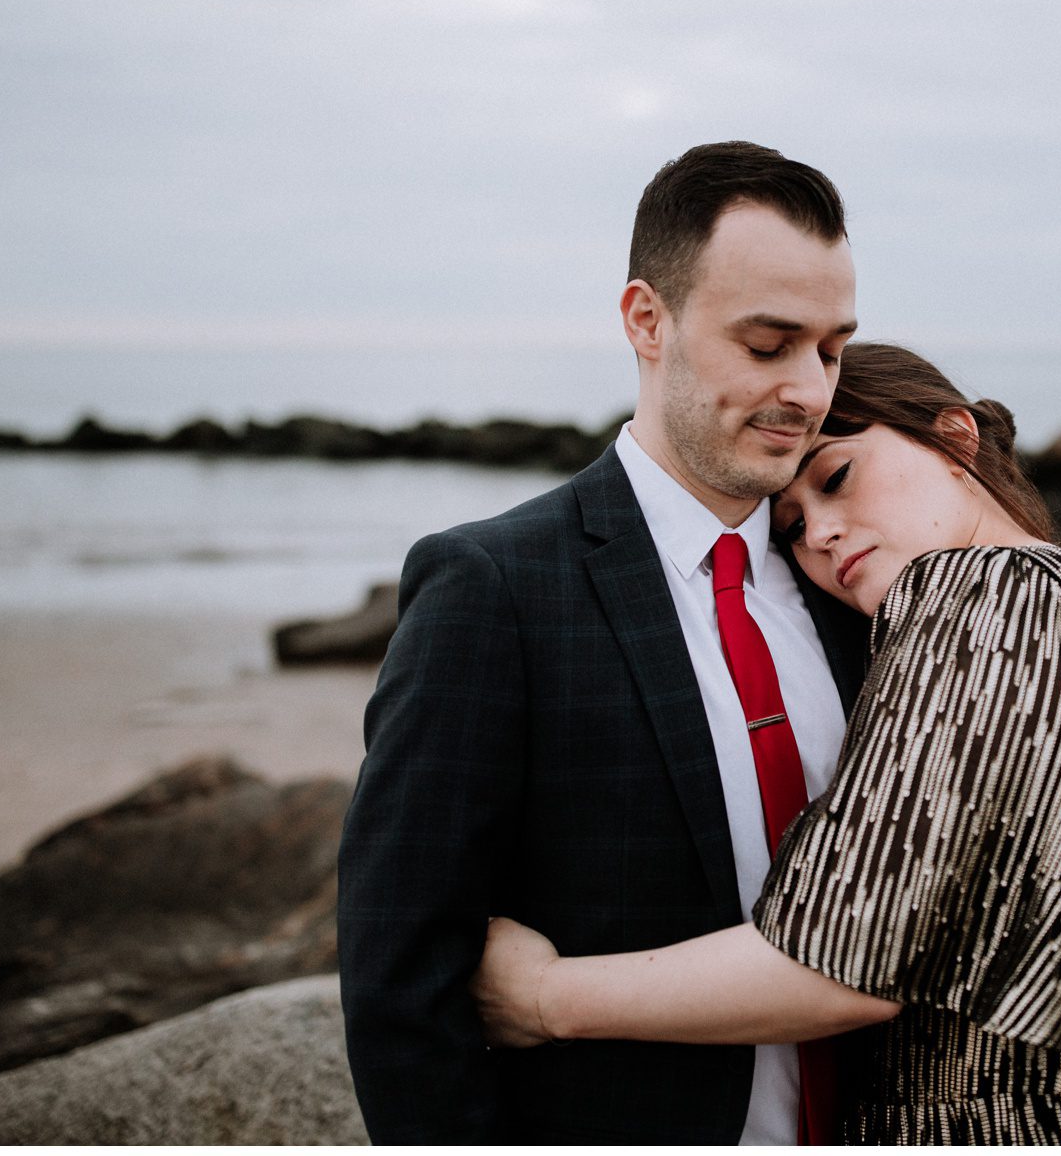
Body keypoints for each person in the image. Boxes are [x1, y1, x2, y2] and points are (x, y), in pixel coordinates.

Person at [470, 344, 1061, 1145]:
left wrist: (545, 997)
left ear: (957, 441)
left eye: (838, 478)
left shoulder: (978, 596)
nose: (819, 533)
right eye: (787, 530)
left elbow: (844, 963)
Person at [336, 141, 874, 1144]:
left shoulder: (857, 588)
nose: (808, 390)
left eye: (832, 349)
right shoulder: (490, 588)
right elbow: (400, 979)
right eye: (767, 344)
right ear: (645, 320)